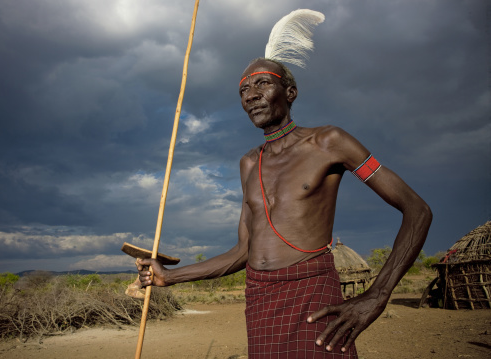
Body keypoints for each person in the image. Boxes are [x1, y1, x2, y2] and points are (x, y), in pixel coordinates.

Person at [137, 58, 432, 358]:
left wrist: (377, 296)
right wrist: (169, 276)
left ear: (290, 92)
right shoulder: (249, 163)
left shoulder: (329, 142)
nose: (250, 95)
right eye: (243, 90)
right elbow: (243, 252)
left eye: (262, 84)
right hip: (261, 300)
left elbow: (417, 210)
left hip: (312, 294)